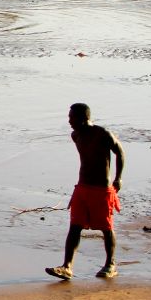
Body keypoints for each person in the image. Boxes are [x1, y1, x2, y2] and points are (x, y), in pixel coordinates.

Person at [46, 103, 125, 280]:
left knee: (106, 227)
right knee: (75, 227)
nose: (69, 121)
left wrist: (118, 178)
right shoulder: (76, 135)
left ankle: (110, 264)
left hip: (101, 189)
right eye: (69, 117)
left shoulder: (102, 134)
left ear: (84, 118)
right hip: (82, 188)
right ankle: (67, 267)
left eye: (72, 117)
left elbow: (120, 152)